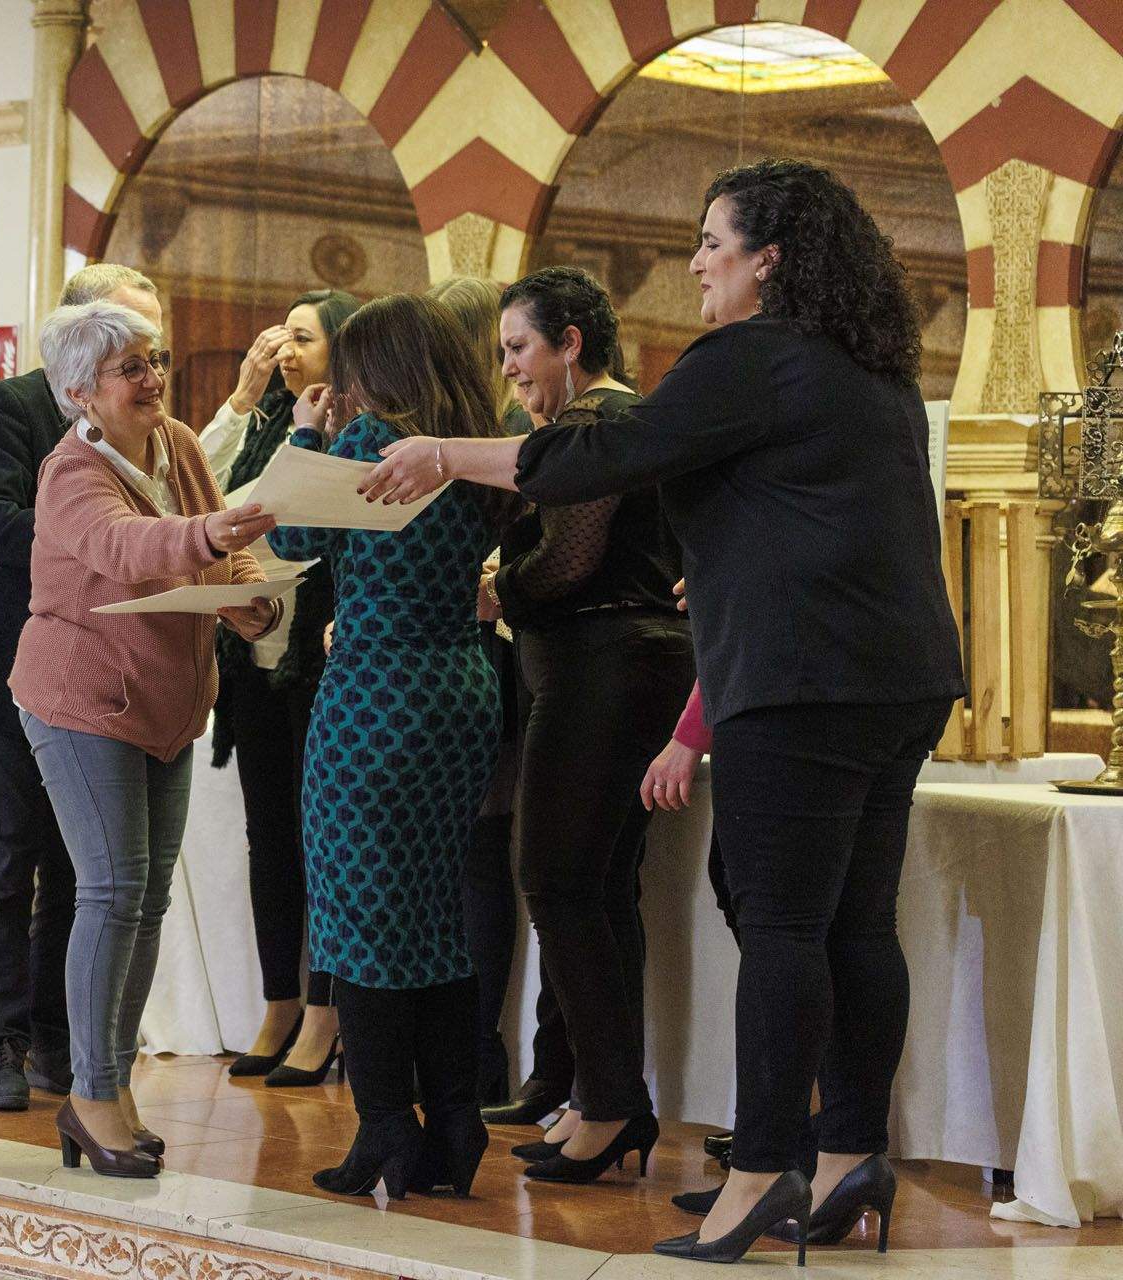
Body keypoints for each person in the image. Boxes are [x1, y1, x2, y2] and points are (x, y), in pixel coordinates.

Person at [363, 158, 964, 1263]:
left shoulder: (752, 357)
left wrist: (447, 453)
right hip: (902, 675)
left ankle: (758, 1176)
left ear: (766, 262)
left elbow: (605, 453)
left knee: (784, 926)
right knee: (856, 924)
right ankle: (844, 1158)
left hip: (801, 682)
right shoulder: (869, 367)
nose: (694, 263)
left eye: (711, 244)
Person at [11, 299, 278, 1178]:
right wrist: (210, 536)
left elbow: (220, 553)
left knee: (146, 898)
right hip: (81, 697)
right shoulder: (67, 472)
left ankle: (108, 1087)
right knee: (111, 888)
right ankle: (90, 1094)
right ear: (82, 391)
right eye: (132, 369)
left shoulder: (181, 445)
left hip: (164, 704)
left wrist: (251, 594)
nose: (154, 379)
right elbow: (123, 546)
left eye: (155, 361)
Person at [268, 293, 514, 1203]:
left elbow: (285, 535)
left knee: (357, 917)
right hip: (460, 689)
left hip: (376, 693)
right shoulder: (469, 451)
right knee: (433, 913)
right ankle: (456, 1120)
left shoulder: (368, 446)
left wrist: (302, 432)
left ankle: (383, 1128)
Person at [0, 264, 164, 1110]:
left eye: (151, 350)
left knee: (80, 872)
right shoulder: (9, 407)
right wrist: (95, 542)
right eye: (129, 346)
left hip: (99, 679)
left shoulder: (151, 427)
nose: (147, 368)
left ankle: (63, 1042)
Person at [479, 268, 692, 1185]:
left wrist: (493, 591)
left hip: (604, 666)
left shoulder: (591, 426)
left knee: (558, 880)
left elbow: (569, 562)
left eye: (519, 349)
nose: (511, 372)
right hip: (630, 667)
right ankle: (609, 1100)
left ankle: (607, 1105)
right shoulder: (611, 422)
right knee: (598, 887)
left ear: (571, 342)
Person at [198, 288, 357, 1087]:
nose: (286, 349)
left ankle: (326, 1013)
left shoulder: (347, 429)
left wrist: (300, 440)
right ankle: (279, 1000)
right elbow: (196, 503)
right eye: (281, 335)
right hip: (252, 657)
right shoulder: (263, 423)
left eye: (305, 337)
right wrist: (247, 398)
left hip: (321, 658)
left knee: (322, 839)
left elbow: (282, 520)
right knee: (270, 836)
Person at [427, 274, 528, 1108]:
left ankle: (477, 1050)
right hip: (458, 665)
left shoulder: (514, 435)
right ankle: (457, 1048)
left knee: (478, 861)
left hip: (498, 667)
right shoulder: (437, 436)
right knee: (464, 862)